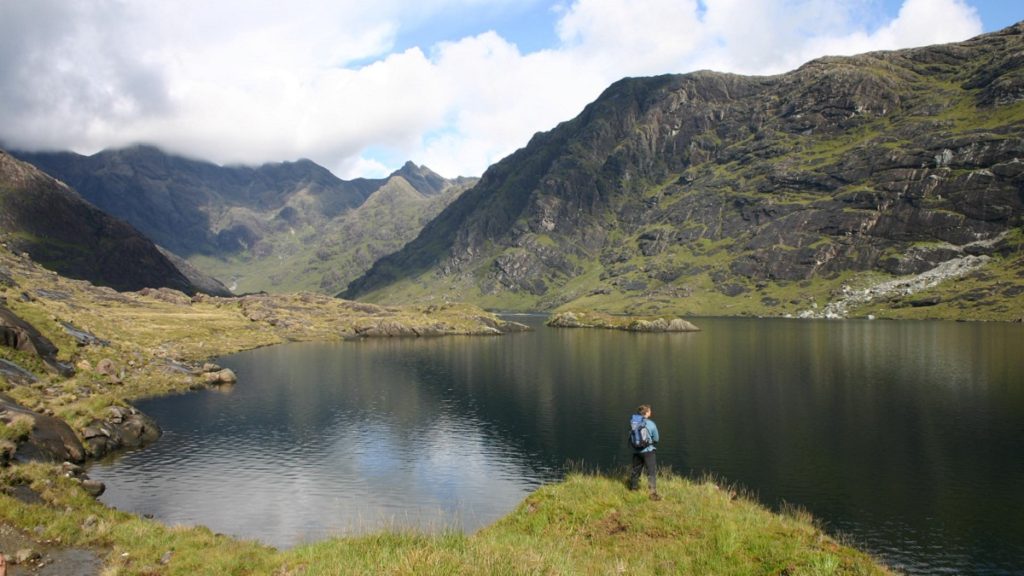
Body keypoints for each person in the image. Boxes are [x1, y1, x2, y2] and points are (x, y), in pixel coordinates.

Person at [629, 404, 661, 500]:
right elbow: (656, 438)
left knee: (636, 470)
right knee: (651, 472)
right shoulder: (651, 424)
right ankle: (652, 494)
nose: (651, 412)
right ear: (646, 413)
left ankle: (634, 489)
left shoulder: (633, 423)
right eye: (650, 411)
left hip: (636, 450)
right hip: (648, 451)